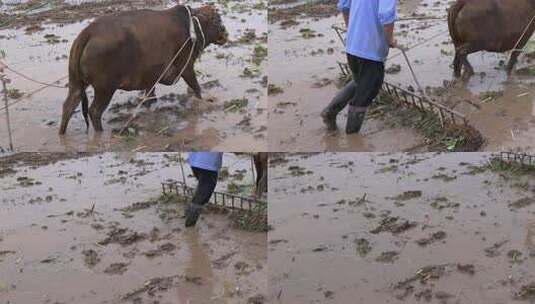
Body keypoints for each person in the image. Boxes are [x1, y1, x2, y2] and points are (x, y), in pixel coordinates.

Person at [321, 0, 398, 134]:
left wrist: (351, 30)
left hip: (352, 47)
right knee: (365, 94)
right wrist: (389, 39)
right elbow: (387, 14)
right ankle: (352, 136)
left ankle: (330, 112)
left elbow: (344, 5)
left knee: (359, 81)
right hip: (370, 50)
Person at [184, 152, 223, 227]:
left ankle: (187, 213)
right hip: (208, 164)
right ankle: (189, 225)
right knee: (203, 195)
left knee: (201, 189)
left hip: (194, 161)